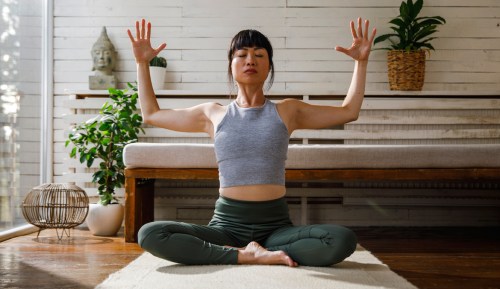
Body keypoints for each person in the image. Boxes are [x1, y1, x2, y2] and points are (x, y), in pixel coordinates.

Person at [127, 18, 376, 267]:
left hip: (276, 228)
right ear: (231, 64)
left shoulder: (288, 111)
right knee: (149, 233)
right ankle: (245, 254)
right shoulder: (213, 114)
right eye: (242, 54)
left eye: (259, 54)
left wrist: (361, 62)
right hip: (226, 227)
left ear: (269, 66)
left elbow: (348, 111)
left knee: (342, 239)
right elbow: (151, 114)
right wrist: (141, 63)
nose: (250, 60)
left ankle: (245, 252)